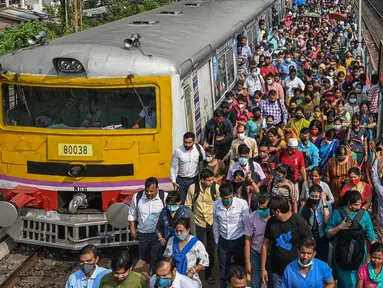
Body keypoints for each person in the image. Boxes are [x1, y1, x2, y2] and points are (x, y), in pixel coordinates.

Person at [325, 190, 376, 288]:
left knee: (358, 281)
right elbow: (328, 233)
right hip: (341, 255)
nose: (359, 207)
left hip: (359, 256)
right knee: (344, 282)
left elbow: (371, 236)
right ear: (349, 203)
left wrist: (377, 253)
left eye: (360, 204)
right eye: (356, 205)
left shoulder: (364, 215)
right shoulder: (337, 213)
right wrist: (339, 227)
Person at [261, 196, 312, 288]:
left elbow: (310, 244)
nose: (269, 212)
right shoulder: (271, 222)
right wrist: (263, 269)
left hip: (296, 271)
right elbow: (265, 244)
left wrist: (306, 267)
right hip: (276, 272)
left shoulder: (299, 221)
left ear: (277, 211)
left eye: (271, 210)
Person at [185, 168, 219, 285]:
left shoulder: (216, 188)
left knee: (211, 249)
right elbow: (188, 206)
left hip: (211, 222)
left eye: (212, 179)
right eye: (209, 180)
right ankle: (195, 273)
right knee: (196, 249)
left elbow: (219, 205)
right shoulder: (193, 188)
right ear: (202, 180)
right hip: (197, 222)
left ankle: (209, 274)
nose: (212, 181)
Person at [213, 183, 250, 288]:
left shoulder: (242, 204)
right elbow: (215, 224)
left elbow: (246, 224)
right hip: (223, 242)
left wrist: (247, 242)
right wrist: (217, 242)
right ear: (221, 197)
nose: (228, 200)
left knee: (241, 270)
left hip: (239, 240)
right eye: (225, 198)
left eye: (230, 197)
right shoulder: (216, 205)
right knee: (224, 271)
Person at [128, 177, 168, 273]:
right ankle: (151, 265)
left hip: (158, 235)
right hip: (143, 234)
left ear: (157, 189)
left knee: (156, 255)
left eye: (152, 191)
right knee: (143, 255)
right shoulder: (137, 197)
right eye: (147, 191)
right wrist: (132, 230)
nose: (149, 193)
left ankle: (154, 273)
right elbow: (132, 214)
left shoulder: (164, 197)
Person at [164, 218, 209, 286]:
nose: (178, 234)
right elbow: (165, 258)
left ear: (188, 230)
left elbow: (204, 263)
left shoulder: (196, 243)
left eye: (181, 231)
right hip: (172, 276)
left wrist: (193, 271)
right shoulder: (171, 241)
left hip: (189, 276)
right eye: (177, 231)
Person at [299, 185, 332, 262]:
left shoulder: (327, 204)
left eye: (316, 196)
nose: (314, 198)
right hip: (309, 236)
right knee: (310, 260)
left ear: (320, 196)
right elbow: (301, 225)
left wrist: (324, 203)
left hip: (322, 236)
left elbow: (327, 221)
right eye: (312, 196)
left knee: (322, 260)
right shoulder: (303, 207)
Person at [244, 195, 271, 288]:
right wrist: (248, 262)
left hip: (272, 256)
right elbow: (248, 241)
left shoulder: (276, 218)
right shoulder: (252, 217)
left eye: (264, 209)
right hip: (256, 253)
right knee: (255, 283)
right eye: (259, 208)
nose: (261, 211)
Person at [170, 132, 205, 203]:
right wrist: (173, 180)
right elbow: (173, 166)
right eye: (185, 142)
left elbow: (204, 160)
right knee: (181, 201)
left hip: (194, 180)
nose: (187, 145)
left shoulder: (199, 148)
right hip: (181, 181)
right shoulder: (178, 151)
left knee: (194, 201)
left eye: (189, 143)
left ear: (194, 141)